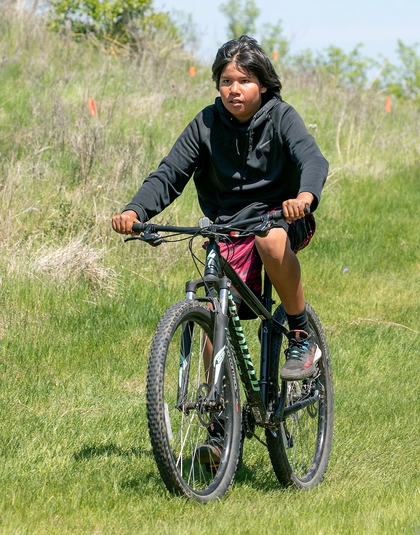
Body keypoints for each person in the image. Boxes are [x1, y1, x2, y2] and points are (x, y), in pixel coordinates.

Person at [111, 35, 329, 463]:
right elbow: (170, 173)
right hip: (227, 227)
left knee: (269, 237)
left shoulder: (282, 118)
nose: (234, 89)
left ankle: (301, 333)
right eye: (226, 80)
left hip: (281, 216)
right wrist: (136, 209)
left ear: (262, 83)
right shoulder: (206, 124)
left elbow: (312, 159)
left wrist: (304, 196)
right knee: (214, 314)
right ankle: (220, 428)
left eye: (244, 80)